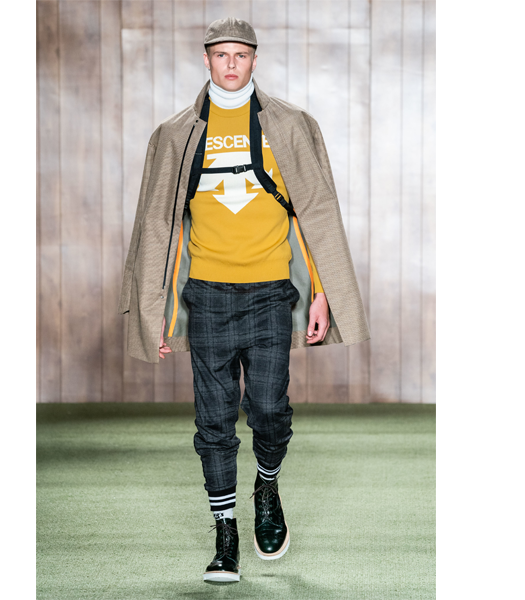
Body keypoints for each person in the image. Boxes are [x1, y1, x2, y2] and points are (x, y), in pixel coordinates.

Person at [118, 17, 370, 583]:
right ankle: (225, 533)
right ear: (206, 58)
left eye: (241, 54)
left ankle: (268, 485)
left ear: (255, 59)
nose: (231, 64)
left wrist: (322, 293)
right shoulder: (175, 134)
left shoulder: (291, 126)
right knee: (213, 420)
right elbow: (156, 227)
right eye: (221, 54)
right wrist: (156, 312)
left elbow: (314, 214)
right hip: (206, 295)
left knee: (270, 410)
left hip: (270, 293)